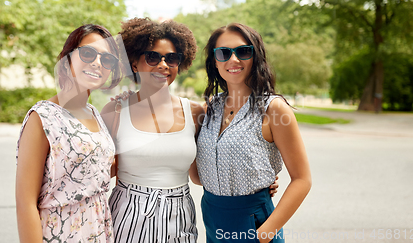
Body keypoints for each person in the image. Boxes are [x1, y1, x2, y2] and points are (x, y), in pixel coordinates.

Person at [196, 23, 312, 243]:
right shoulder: (209, 109)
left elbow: (302, 180)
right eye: (223, 53)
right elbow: (199, 177)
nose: (233, 60)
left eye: (243, 51)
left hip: (256, 227)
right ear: (214, 61)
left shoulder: (273, 109)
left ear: (255, 56)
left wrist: (262, 236)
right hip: (213, 223)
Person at [15, 24, 122, 242]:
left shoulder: (93, 113)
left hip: (99, 231)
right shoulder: (43, 117)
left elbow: (90, 174)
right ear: (67, 59)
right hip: (61, 234)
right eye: (88, 53)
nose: (97, 62)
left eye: (107, 59)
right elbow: (25, 202)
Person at [101, 17, 204, 243]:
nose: (163, 64)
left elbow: (199, 176)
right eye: (152, 56)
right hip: (128, 216)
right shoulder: (115, 110)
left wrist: (259, 182)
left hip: (180, 218)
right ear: (134, 63)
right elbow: (98, 171)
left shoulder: (196, 112)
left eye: (172, 58)